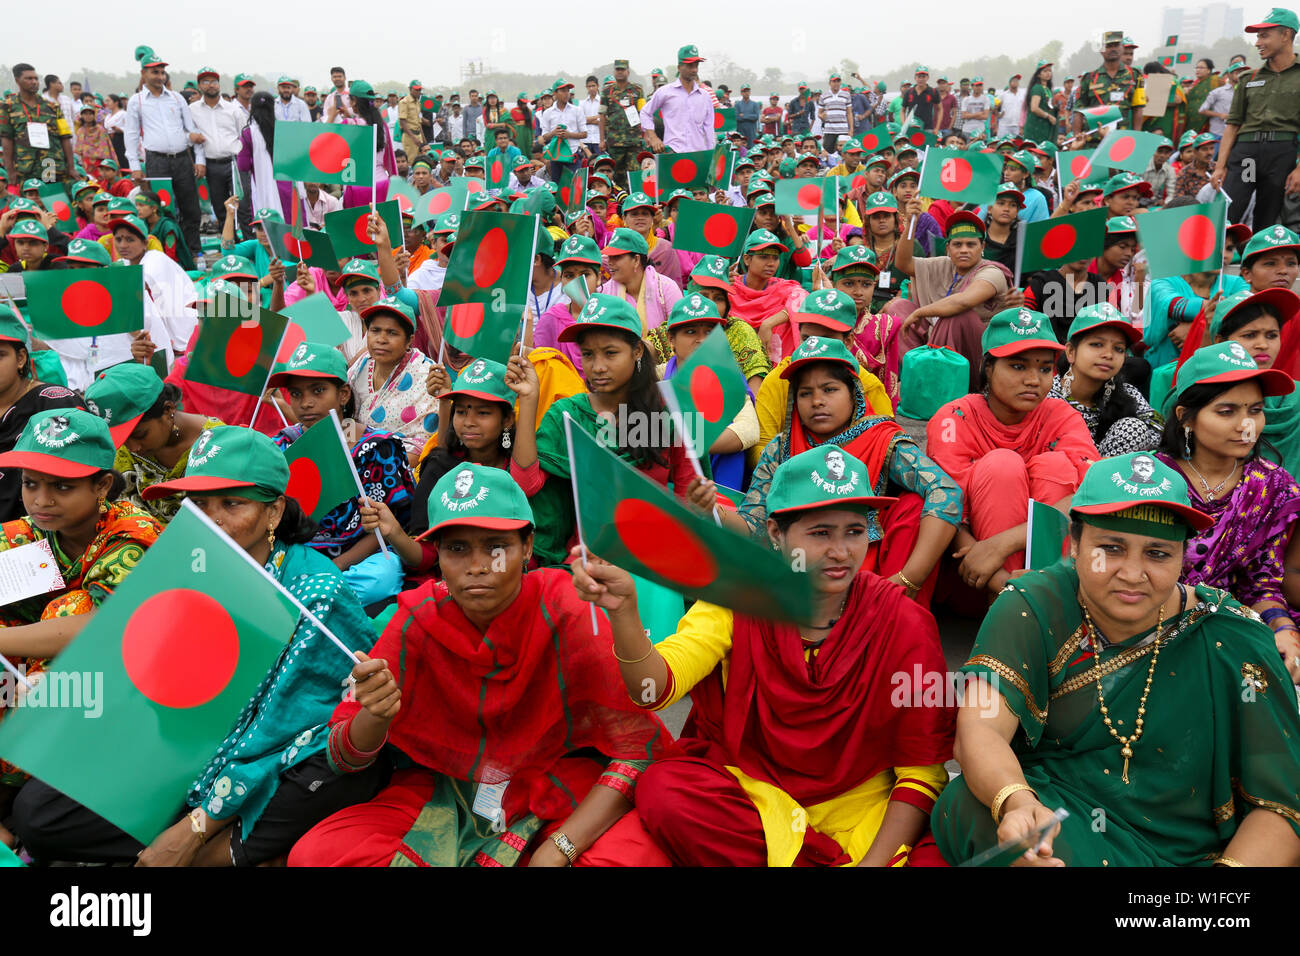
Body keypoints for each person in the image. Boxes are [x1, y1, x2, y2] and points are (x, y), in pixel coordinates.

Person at [574, 444, 954, 866]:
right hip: (757, 797)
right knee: (664, 791)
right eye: (820, 533)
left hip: (859, 810)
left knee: (948, 835)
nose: (842, 552)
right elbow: (653, 691)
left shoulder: (903, 620)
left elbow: (922, 771)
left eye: (854, 531)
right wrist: (625, 612)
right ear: (776, 535)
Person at [12, 425, 375, 866]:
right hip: (188, 744)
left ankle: (213, 848)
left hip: (272, 764)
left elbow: (287, 729)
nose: (212, 519)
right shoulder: (193, 564)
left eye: (232, 503)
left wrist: (198, 824)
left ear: (274, 512)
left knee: (319, 782)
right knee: (40, 812)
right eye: (199, 505)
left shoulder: (315, 595)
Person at [288, 463, 674, 867]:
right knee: (316, 855)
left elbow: (637, 752)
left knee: (633, 859)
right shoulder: (417, 619)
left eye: (495, 546)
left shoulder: (567, 610)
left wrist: (559, 849)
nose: (477, 566)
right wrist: (375, 714)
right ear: (437, 555)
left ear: (527, 548)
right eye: (457, 548)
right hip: (447, 791)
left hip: (555, 786)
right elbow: (346, 755)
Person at [932, 451, 1300, 866]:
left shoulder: (1232, 637)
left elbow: (1283, 803)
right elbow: (979, 730)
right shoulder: (1032, 604)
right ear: (1074, 543)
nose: (1131, 572)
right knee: (968, 803)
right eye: (1110, 548)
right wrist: (1017, 803)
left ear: (1183, 555)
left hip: (1190, 852)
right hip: (1063, 815)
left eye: (1158, 554)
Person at [0, 409, 163, 795]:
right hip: (35, 680)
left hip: (125, 683)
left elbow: (95, 628)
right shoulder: (22, 536)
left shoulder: (134, 534)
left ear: (102, 485)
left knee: (70, 608)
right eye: (30, 484)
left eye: (62, 486)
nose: (42, 500)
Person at [737, 332, 960, 599]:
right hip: (797, 565)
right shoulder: (780, 447)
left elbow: (946, 490)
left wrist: (908, 579)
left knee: (910, 506)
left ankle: (894, 607)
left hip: (868, 567)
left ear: (854, 392)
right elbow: (754, 520)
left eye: (829, 389)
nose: (817, 401)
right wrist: (711, 511)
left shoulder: (881, 438)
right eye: (805, 393)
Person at [925, 308, 1099, 595]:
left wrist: (1005, 543)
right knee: (1002, 465)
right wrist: (1005, 584)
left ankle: (1043, 596)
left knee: (1055, 466)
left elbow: (1090, 495)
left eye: (1044, 368)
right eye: (1018, 366)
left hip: (1045, 576)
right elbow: (946, 510)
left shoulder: (1061, 414)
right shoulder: (955, 417)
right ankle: (1009, 607)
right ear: (988, 367)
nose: (1034, 380)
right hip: (973, 573)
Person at [531, 294, 713, 565]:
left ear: (637, 351)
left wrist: (699, 510)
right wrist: (527, 401)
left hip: (658, 556)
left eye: (611, 353)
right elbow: (531, 488)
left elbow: (688, 496)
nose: (598, 367)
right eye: (588, 355)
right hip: (587, 563)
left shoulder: (670, 411)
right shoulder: (567, 415)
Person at [1155, 340, 1300, 673]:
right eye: (1227, 411)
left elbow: (1261, 581)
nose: (1246, 425)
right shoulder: (1152, 478)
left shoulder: (1271, 486)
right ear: (1185, 417)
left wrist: (1283, 629)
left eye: (1255, 410)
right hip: (1148, 625)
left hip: (1234, 629)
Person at [269, 344, 415, 578]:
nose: (306, 403)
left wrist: (335, 567)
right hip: (299, 554)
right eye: (296, 394)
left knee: (381, 578)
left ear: (343, 394)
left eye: (318, 391)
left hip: (363, 558)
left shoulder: (377, 447)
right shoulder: (282, 445)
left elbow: (383, 527)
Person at [84, 362, 223, 523]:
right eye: (121, 439)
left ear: (168, 409)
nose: (133, 448)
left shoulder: (218, 445)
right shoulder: (123, 452)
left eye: (140, 434)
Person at [894, 208, 1015, 390]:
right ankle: (920, 377)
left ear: (982, 248)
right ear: (948, 248)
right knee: (899, 307)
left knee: (956, 316)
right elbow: (903, 263)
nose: (964, 250)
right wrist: (911, 224)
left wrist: (921, 312)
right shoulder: (943, 264)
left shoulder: (992, 272)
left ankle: (942, 384)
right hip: (936, 343)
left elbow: (963, 301)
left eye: (971, 244)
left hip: (981, 355)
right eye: (957, 245)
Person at [657, 293, 759, 489]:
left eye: (710, 332)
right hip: (671, 478)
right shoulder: (658, 376)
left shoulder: (730, 379)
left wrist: (690, 445)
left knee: (730, 430)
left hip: (718, 479)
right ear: (671, 340)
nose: (702, 340)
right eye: (691, 332)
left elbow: (749, 429)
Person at [1211, 8, 1300, 227]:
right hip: (1248, 155)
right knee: (1229, 210)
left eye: (1264, 36)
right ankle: (1211, 259)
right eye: (1258, 37)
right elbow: (1232, 125)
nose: (1258, 42)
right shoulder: (1248, 78)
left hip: (1281, 155)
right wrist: (1221, 166)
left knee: (1267, 217)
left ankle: (1257, 260)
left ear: (1286, 35)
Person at [124, 49, 205, 270]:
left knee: (191, 208)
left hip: (182, 159)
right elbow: (130, 135)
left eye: (162, 72)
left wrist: (200, 160)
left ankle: (192, 252)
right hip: (156, 161)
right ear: (144, 73)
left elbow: (192, 131)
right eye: (155, 72)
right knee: (160, 208)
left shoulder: (177, 98)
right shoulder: (137, 101)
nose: (160, 76)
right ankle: (164, 256)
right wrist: (134, 167)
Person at [1209, 282, 1300, 478]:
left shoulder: (1296, 395)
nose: (1263, 345)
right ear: (1220, 342)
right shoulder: (1196, 395)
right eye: (1250, 335)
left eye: (1272, 335)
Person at [0, 307, 81, 523]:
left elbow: (73, 483)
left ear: (20, 358)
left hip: (37, 535)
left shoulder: (55, 404)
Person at [1049, 303, 1162, 456]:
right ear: (1070, 351)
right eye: (1097, 344)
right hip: (1057, 475)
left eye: (1118, 349)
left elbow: (1159, 431)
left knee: (1133, 429)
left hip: (1111, 477)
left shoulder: (1127, 393)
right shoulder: (1047, 395)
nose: (1108, 355)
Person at [346, 296, 438, 464]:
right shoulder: (359, 368)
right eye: (375, 330)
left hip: (396, 474)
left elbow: (422, 447)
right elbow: (345, 419)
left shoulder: (425, 377)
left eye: (392, 333)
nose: (381, 339)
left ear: (409, 340)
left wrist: (375, 466)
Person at [596, 225, 683, 332]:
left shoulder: (666, 288)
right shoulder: (603, 293)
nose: (610, 262)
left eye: (617, 257)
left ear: (636, 260)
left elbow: (678, 331)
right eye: (609, 257)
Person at [1, 63, 75, 185]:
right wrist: (10, 170)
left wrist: (71, 167)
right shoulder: (8, 107)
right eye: (29, 78)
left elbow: (65, 137)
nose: (34, 82)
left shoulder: (52, 107)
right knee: (30, 202)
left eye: (36, 78)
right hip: (25, 168)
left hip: (51, 165)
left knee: (53, 200)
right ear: (17, 80)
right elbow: (6, 139)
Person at [640, 45, 713, 154]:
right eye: (690, 65)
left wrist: (711, 154)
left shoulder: (705, 96)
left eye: (696, 65)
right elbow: (645, 113)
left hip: (699, 154)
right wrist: (653, 137)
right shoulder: (665, 92)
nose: (694, 70)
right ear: (679, 67)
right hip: (673, 153)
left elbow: (709, 129)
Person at [1074, 30, 1142, 134]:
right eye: (1109, 46)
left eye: (1116, 45)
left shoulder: (1135, 76)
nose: (1113, 49)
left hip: (1121, 138)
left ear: (1122, 48)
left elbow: (1138, 109)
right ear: (1101, 50)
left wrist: (1137, 136)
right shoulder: (1089, 78)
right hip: (1094, 139)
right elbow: (1078, 112)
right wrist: (1076, 137)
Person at [600, 60, 646, 180]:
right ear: (614, 72)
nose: (620, 72)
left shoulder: (637, 90)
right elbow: (602, 116)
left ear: (628, 71)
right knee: (615, 175)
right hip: (615, 141)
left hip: (634, 141)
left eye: (622, 69)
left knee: (635, 174)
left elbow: (643, 113)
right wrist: (601, 140)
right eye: (617, 69)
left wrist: (645, 136)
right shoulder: (606, 92)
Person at [1022, 62, 1058, 144]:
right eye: (1045, 71)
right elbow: (1034, 108)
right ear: (1038, 75)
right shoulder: (1037, 88)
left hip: (1044, 128)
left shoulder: (1047, 89)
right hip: (1035, 129)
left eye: (1049, 71)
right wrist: (1049, 116)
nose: (1048, 73)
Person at [72, 104, 112, 178]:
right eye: (85, 114)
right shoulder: (80, 131)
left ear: (94, 115)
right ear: (82, 116)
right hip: (86, 163)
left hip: (99, 162)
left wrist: (87, 150)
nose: (88, 116)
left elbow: (104, 149)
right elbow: (78, 149)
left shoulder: (100, 129)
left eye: (90, 114)